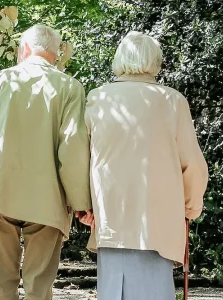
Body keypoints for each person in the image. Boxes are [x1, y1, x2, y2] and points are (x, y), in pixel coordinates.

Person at [0, 24, 93, 300]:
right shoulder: (70, 87)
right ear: (57, 54)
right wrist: (80, 202)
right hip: (46, 199)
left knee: (2, 286)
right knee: (39, 288)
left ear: (25, 49)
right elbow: (72, 147)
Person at [83, 31, 209, 299]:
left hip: (110, 217)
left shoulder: (98, 99)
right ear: (155, 62)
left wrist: (84, 206)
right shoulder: (173, 102)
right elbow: (193, 166)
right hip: (159, 222)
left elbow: (82, 158)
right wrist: (190, 208)